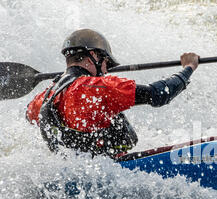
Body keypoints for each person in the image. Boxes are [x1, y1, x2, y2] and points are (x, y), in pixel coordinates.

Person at [26, 28, 199, 158]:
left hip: (75, 172)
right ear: (93, 55)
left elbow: (29, 115)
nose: (106, 70)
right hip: (109, 171)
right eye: (105, 63)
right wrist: (188, 68)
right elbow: (159, 94)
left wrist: (62, 80)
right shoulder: (97, 88)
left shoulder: (45, 96)